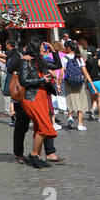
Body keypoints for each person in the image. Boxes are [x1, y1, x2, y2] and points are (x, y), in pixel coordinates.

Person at [13, 40, 64, 168]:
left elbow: (57, 65)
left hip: (42, 97)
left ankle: (38, 156)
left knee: (39, 127)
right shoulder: (25, 61)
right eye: (42, 46)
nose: (44, 48)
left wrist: (53, 50)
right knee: (43, 126)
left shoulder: (40, 60)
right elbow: (24, 81)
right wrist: (42, 79)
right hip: (32, 98)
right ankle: (33, 154)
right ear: (35, 48)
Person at [61, 41, 91, 131]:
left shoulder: (64, 58)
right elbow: (84, 72)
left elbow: (63, 71)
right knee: (80, 102)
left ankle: (70, 117)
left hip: (68, 82)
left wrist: (59, 82)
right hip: (79, 83)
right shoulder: (79, 58)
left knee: (70, 100)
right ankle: (80, 124)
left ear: (68, 48)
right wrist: (91, 83)